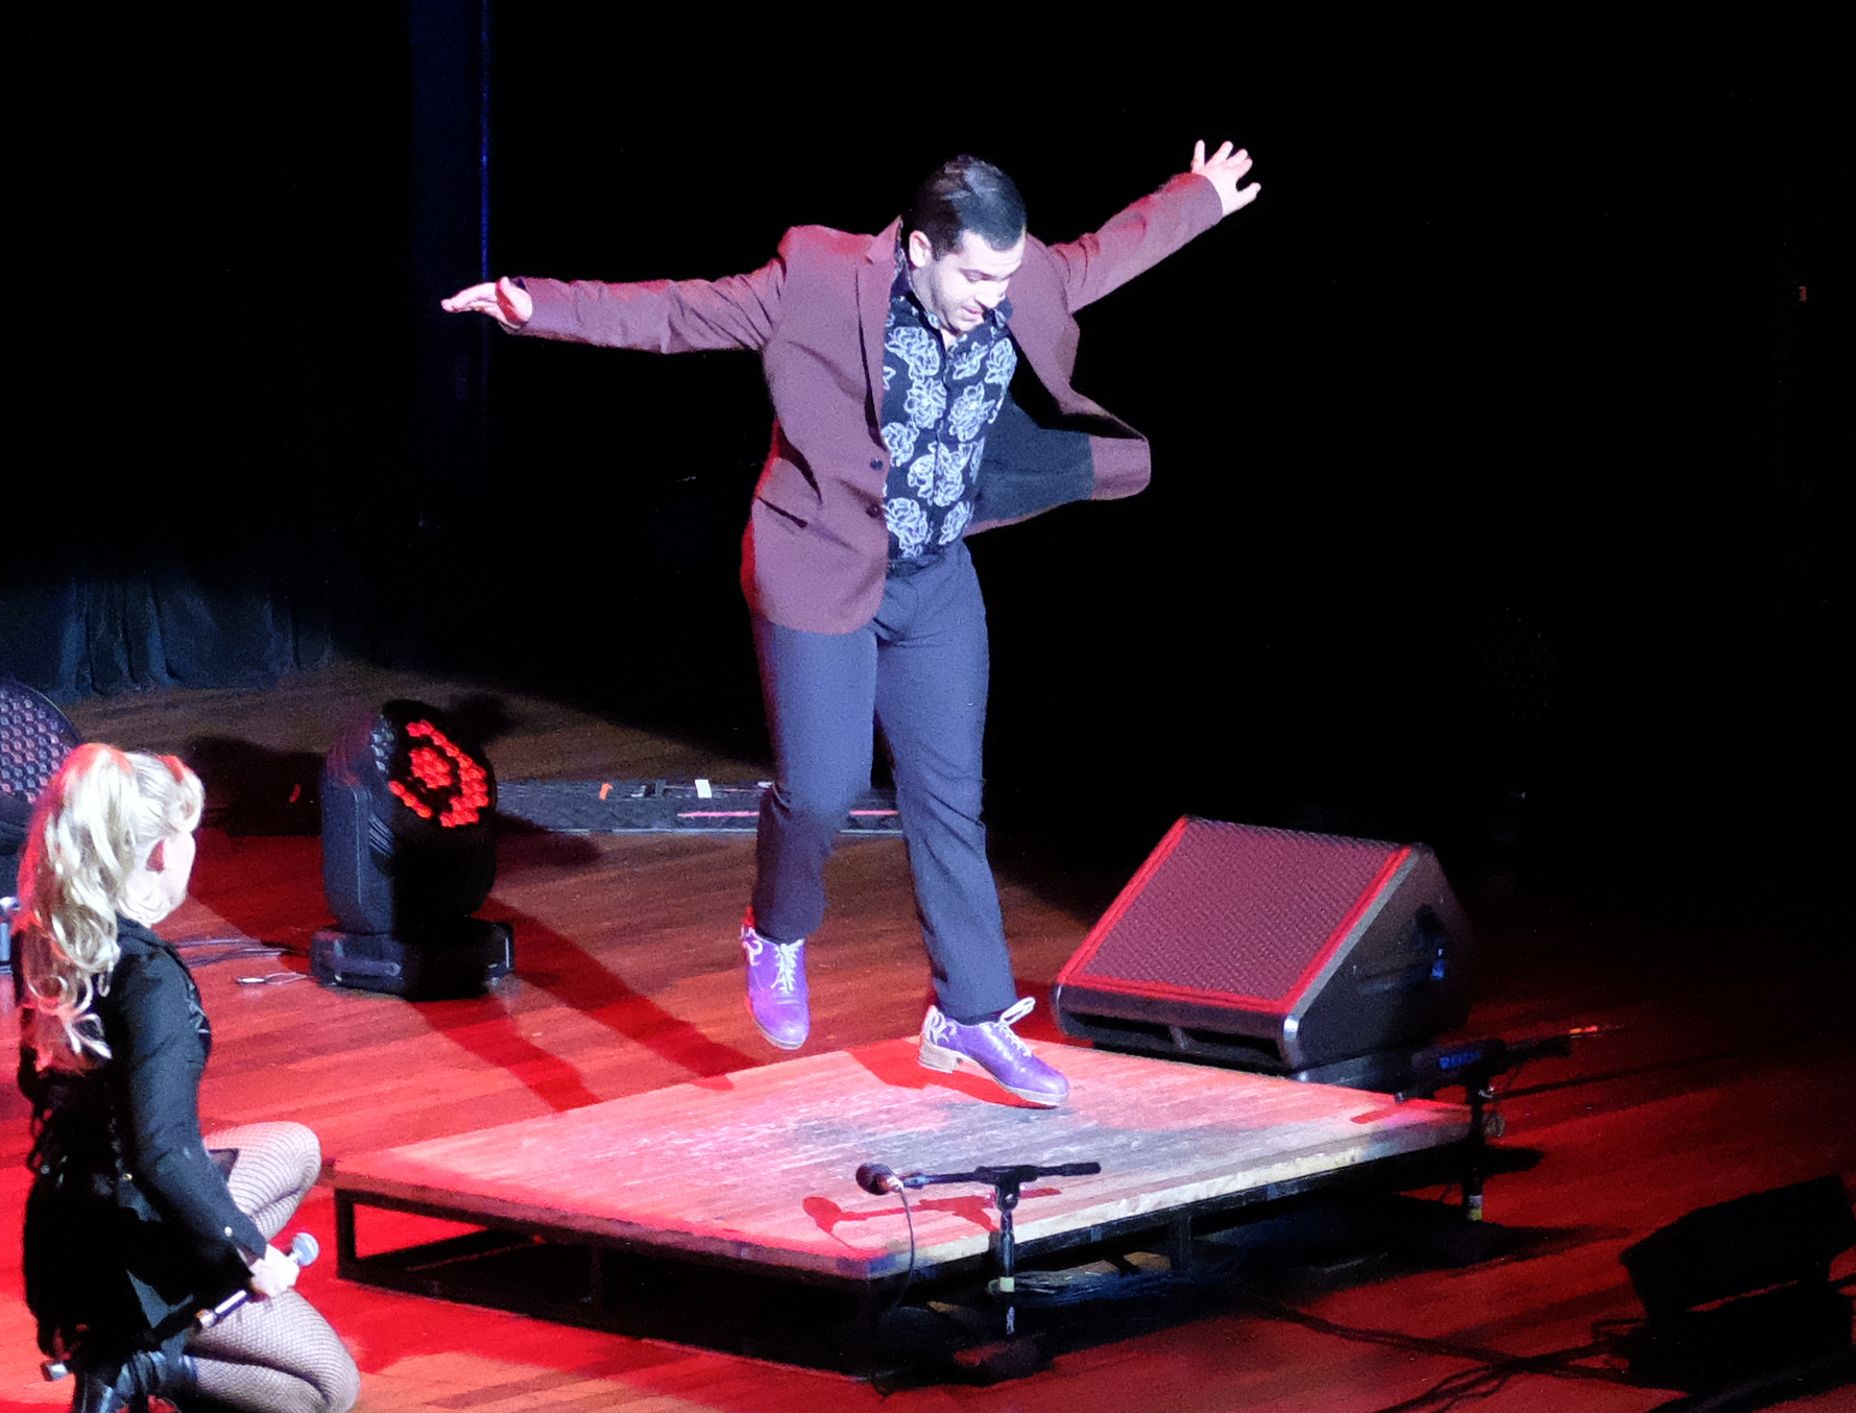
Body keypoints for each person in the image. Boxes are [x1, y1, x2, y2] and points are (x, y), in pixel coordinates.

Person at [442, 142, 1263, 1095]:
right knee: (823, 789)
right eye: (976, 276)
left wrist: (1199, 196)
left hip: (933, 574)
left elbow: (1098, 257)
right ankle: (776, 932)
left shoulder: (1020, 275)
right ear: (918, 250)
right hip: (816, 566)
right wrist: (538, 305)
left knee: (950, 800)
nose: (995, 296)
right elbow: (676, 312)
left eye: (1007, 275)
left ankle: (967, 1013)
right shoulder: (820, 281)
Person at [15, 744, 357, 1413]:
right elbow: (162, 1154)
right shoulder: (150, 981)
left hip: (69, 1230)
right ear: (166, 855)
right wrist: (252, 1258)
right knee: (329, 1389)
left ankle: (173, 1309)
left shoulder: (50, 940)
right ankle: (138, 1364)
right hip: (127, 1247)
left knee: (294, 1146)